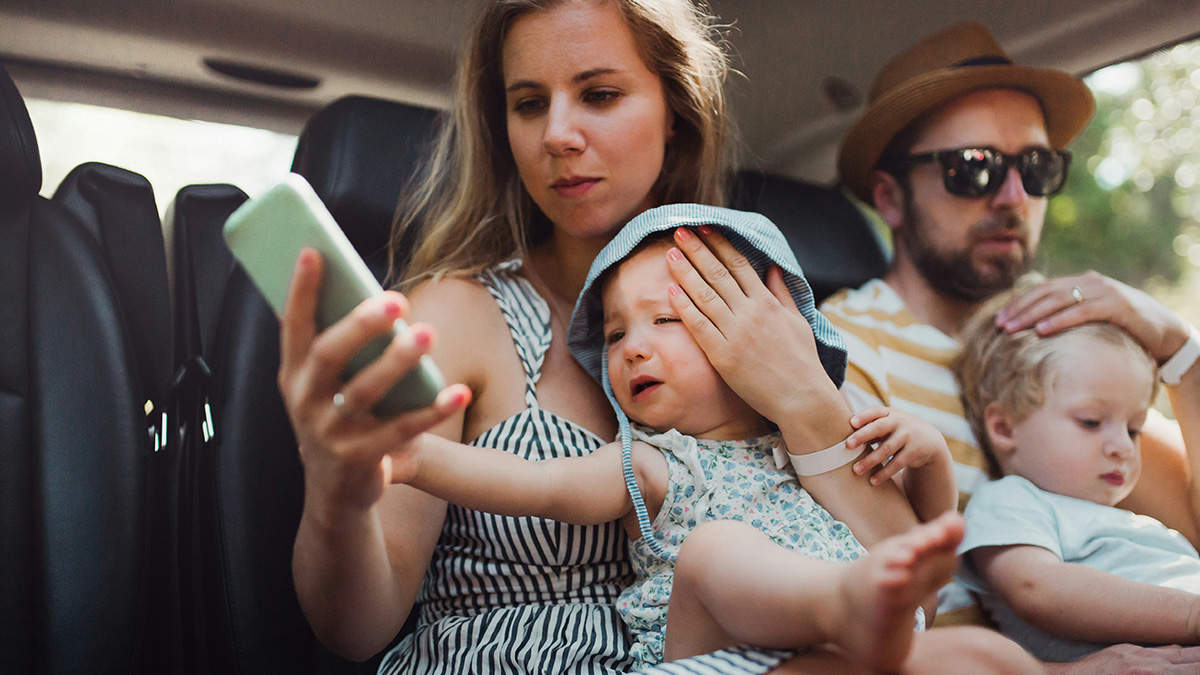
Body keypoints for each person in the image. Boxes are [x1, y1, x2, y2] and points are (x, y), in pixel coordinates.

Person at [280, 1, 957, 674]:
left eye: (599, 94)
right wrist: (338, 492)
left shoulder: (759, 301)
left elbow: (911, 591)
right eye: (528, 104)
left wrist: (808, 403)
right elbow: (356, 627)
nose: (558, 135)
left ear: (676, 115)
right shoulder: (455, 312)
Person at [384, 205, 973, 671]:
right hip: (713, 661)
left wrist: (931, 463)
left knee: (984, 658)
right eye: (614, 334)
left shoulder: (815, 448)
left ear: (756, 327)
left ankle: (848, 608)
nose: (634, 346)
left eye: (666, 320)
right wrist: (418, 456)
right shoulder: (656, 463)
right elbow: (539, 484)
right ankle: (836, 602)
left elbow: (924, 563)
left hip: (835, 662)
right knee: (713, 551)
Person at [820, 18, 1200, 673]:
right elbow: (870, 619)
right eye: (974, 168)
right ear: (891, 196)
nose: (1015, 196)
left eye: (1036, 166)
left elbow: (1189, 519)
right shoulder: (847, 345)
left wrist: (1179, 346)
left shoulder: (1060, 340)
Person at [953, 289, 1200, 663]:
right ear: (1004, 427)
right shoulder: (1011, 501)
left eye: (1134, 429)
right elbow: (1036, 588)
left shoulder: (1133, 522)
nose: (1123, 446)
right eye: (1091, 422)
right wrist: (1191, 615)